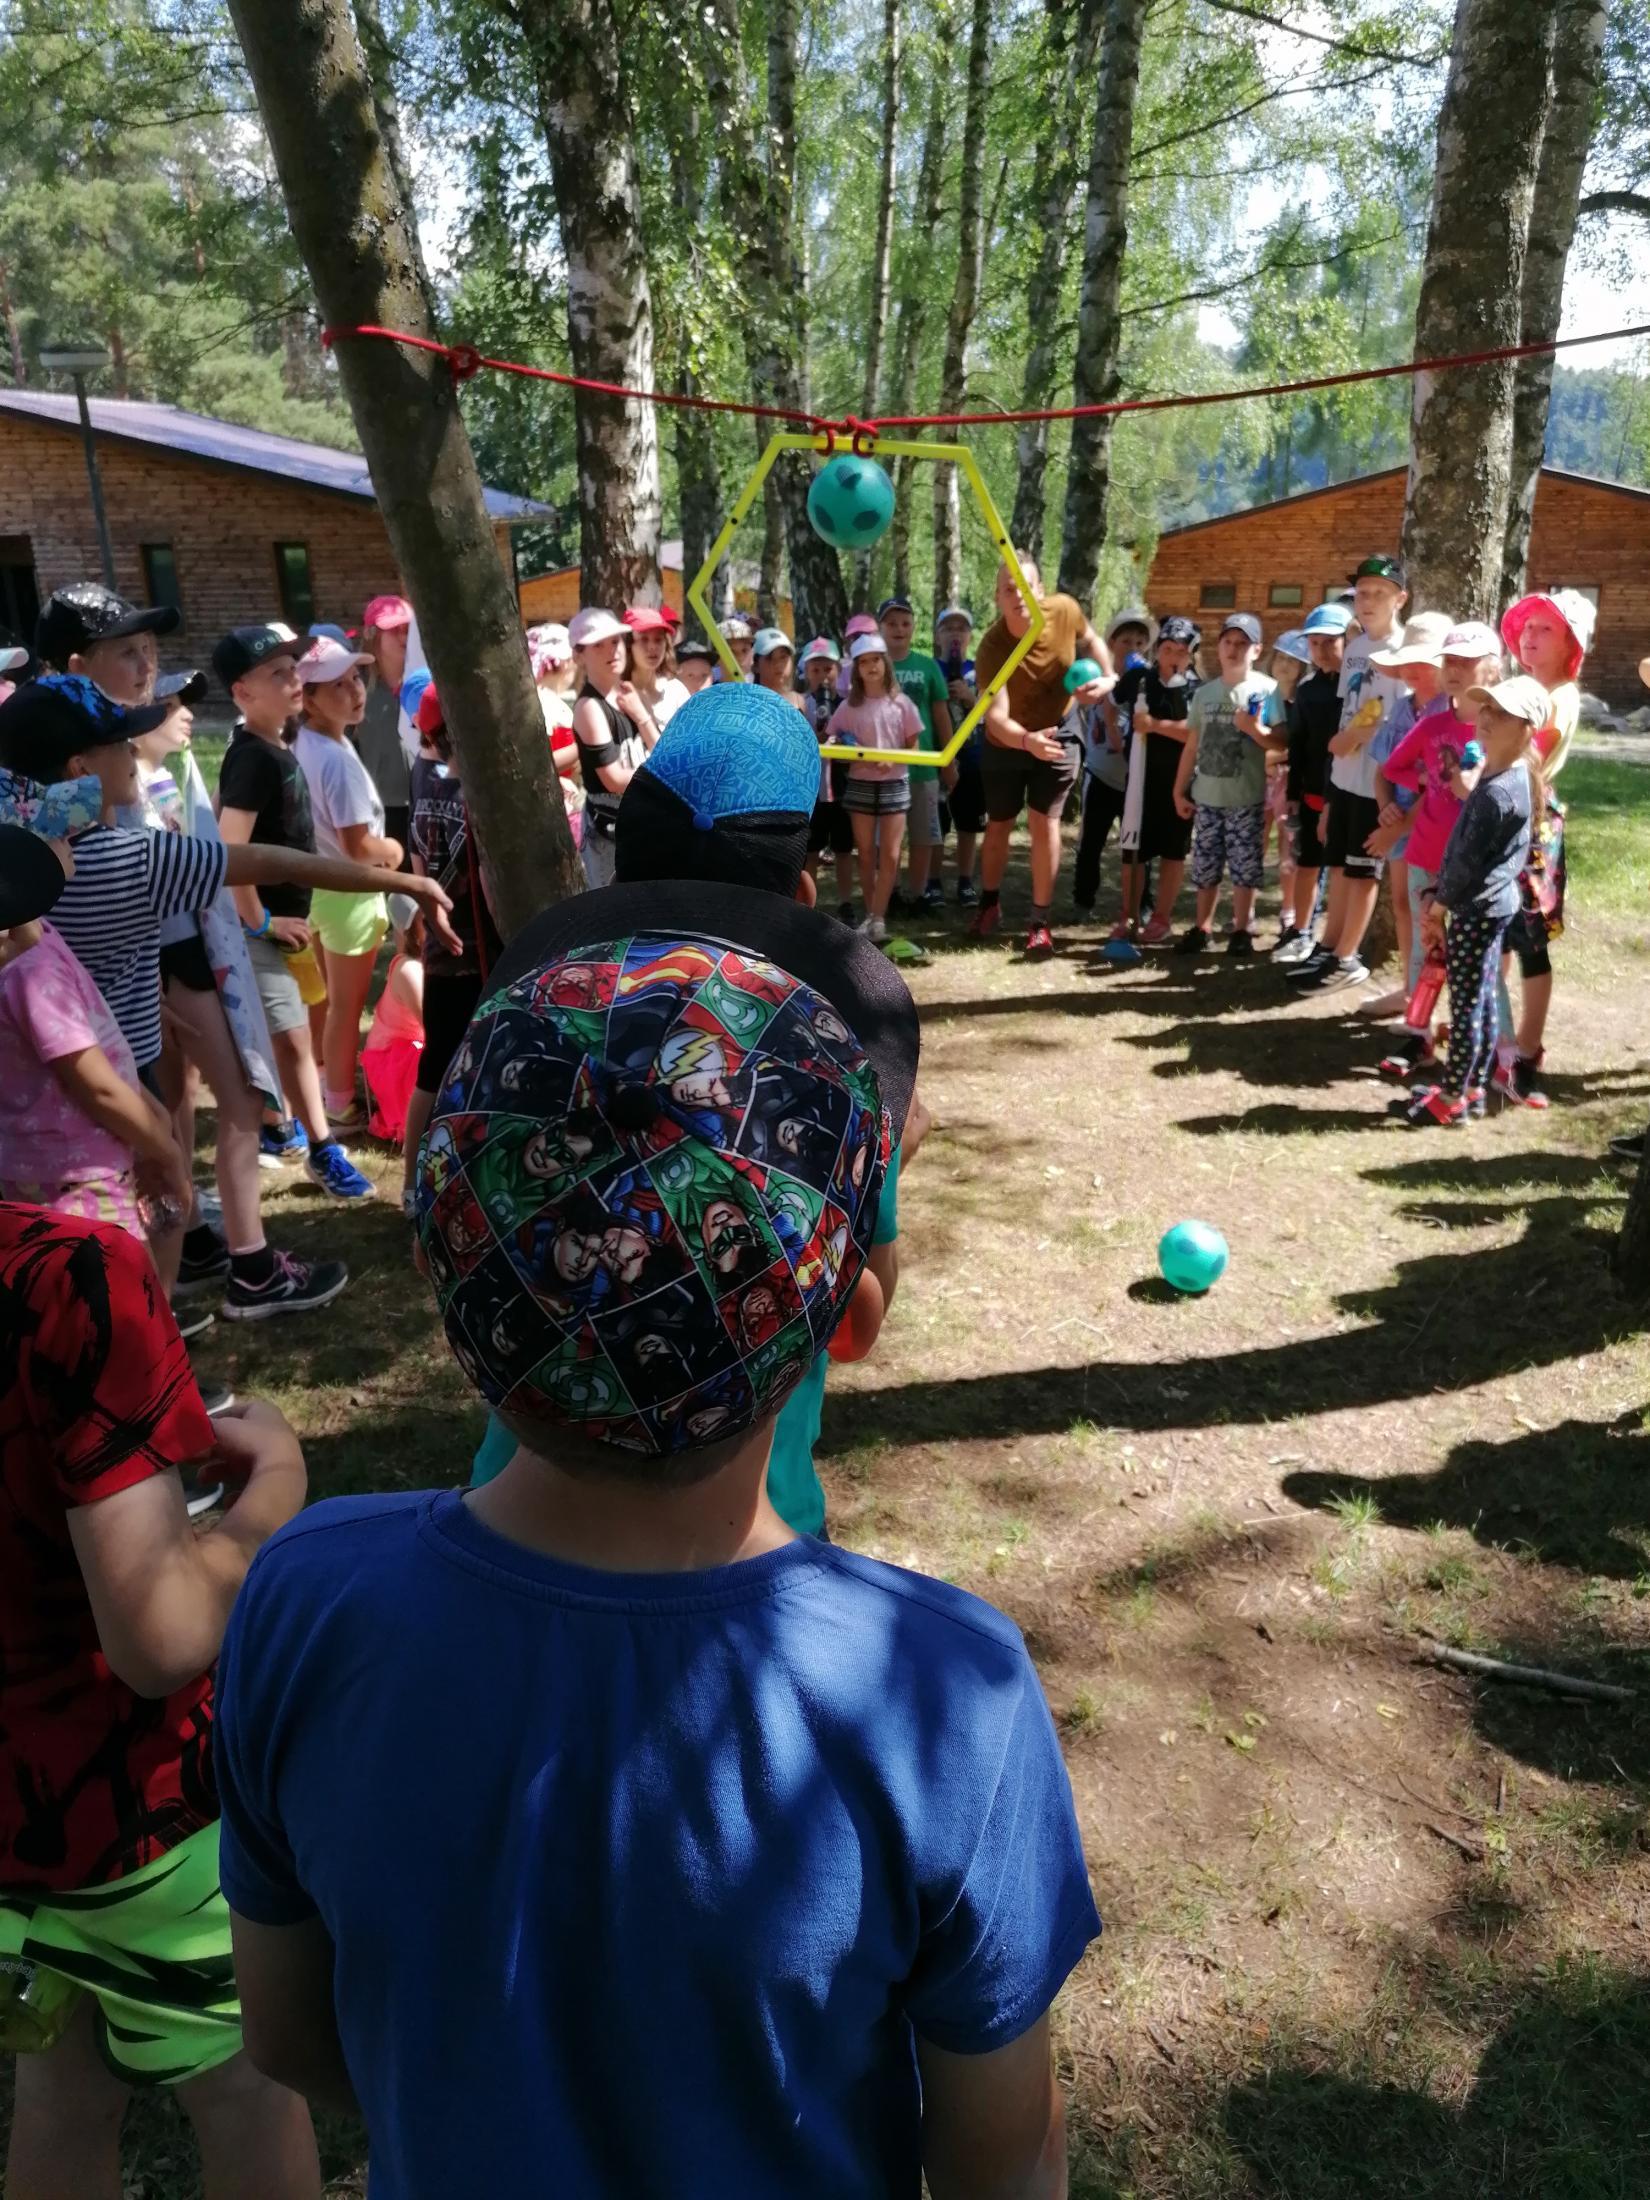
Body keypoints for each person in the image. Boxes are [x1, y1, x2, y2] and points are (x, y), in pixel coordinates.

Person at [212, 876, 1098, 2200]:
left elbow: (289, 2034)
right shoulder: (949, 1692)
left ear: (442, 1279)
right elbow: (1000, 2158)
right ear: (849, 1322)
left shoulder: (303, 1603)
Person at [0, 1195, 320, 2200]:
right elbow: (163, 1636)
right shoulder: (66, 1276)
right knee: (249, 2092)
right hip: (144, 1826)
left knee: (57, 2093)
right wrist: (275, 1490)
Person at [0, 679, 454, 1309]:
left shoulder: (20, 874)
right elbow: (269, 862)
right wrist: (401, 882)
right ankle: (160, 1344)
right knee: (148, 1231)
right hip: (110, 1093)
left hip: (39, 1108)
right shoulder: (130, 859)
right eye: (120, 745)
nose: (132, 755)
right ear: (80, 769)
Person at [214, 625, 376, 1202]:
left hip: (287, 926)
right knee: (292, 1040)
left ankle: (283, 1128)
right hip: (260, 930)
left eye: (293, 670)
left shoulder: (277, 746)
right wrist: (260, 921)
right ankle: (323, 1150)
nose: (293, 681)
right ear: (243, 692)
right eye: (277, 674)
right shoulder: (253, 758)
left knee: (291, 1035)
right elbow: (230, 850)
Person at [0, 825, 190, 1239]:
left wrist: (154, 1119)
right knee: (113, 1278)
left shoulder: (36, 943)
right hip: (76, 1176)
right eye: (51, 832)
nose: (69, 836)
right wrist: (168, 1153)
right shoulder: (33, 971)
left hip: (62, 1167)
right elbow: (97, 1088)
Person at [1403, 675, 1544, 1129]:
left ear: (1526, 729)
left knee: (1466, 1004)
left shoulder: (1497, 792)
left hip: (1474, 908)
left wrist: (1437, 906)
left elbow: (1465, 863)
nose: (1486, 717)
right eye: (1486, 707)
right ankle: (1473, 1087)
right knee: (1479, 998)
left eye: (1502, 713)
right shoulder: (1506, 776)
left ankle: (1452, 1096)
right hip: (1489, 906)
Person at [1373, 620, 1501, 1083]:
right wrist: (1426, 778)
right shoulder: (1431, 724)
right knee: (1423, 950)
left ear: (1492, 669)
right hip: (1427, 854)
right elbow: (1394, 767)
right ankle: (1418, 1034)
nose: (1455, 670)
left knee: (1475, 957)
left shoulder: (1499, 727)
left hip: (1477, 863)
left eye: (1467, 661)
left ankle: (1492, 1048)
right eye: (1449, 661)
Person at [970, 556, 1110, 956]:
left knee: (1043, 821)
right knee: (999, 823)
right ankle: (989, 904)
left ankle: (1039, 922)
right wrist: (1026, 741)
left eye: (1026, 586)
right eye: (1008, 589)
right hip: (1008, 741)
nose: (1018, 595)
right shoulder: (992, 647)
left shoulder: (1064, 610)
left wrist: (1108, 676)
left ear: (1040, 590)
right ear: (998, 598)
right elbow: (996, 718)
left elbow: (1092, 639)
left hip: (1060, 729)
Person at [1288, 554, 1410, 994]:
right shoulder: (1355, 649)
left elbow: (1401, 721)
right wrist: (1332, 784)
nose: (1369, 601)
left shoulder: (1403, 652)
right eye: (1362, 593)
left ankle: (1348, 957)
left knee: (1361, 872)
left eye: (1379, 593)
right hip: (1343, 777)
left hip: (1376, 783)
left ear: (1400, 599)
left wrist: (1358, 736)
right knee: (1338, 865)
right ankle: (1329, 945)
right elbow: (1348, 710)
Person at [403, 680, 504, 1212]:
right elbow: (486, 879)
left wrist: (429, 917)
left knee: (436, 1067)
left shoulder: (422, 776)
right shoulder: (472, 792)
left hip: (443, 950)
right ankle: (436, 1180)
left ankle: (413, 1183)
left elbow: (417, 859)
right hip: (474, 952)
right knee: (471, 1063)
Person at [293, 635, 401, 1128]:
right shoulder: (335, 759)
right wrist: (394, 850)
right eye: (336, 685)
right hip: (349, 892)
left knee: (322, 998)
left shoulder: (310, 743)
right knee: (345, 1006)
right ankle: (339, 1102)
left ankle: (323, 1079)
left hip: (319, 886)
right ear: (309, 700)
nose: (355, 690)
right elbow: (359, 846)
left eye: (355, 678)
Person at [1496, 588, 1595, 1107]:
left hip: (1531, 825)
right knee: (1496, 931)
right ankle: (1493, 1029)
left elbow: (1528, 752)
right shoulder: (1519, 687)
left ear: (1570, 645)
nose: (1531, 637)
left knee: (1530, 938)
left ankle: (1528, 1050)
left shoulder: (1561, 696)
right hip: (1501, 813)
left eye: (1546, 629)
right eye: (1527, 628)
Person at [1357, 611, 1455, 1019]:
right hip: (1398, 822)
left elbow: (1440, 787)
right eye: (1408, 662)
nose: (1414, 671)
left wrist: (1395, 826)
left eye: (1424, 663)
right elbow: (1383, 769)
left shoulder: (1448, 714)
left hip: (1430, 826)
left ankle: (1433, 996)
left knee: (1430, 910)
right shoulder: (1400, 710)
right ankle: (1410, 988)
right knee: (1402, 903)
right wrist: (1385, 809)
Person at [1169, 614, 1277, 956]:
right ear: (1218, 647)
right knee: (1205, 866)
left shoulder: (1267, 690)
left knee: (1245, 867)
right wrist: (1179, 789)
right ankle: (1202, 928)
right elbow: (1192, 745)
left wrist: (1254, 729)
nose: (1233, 650)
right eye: (1228, 642)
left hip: (1246, 797)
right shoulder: (1205, 694)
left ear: (1256, 650)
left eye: (1242, 643)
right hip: (1207, 797)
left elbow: (1280, 741)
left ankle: (1241, 928)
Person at [828, 632, 922, 945]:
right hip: (861, 786)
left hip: (895, 784)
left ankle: (878, 917)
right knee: (866, 853)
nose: (871, 666)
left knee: (891, 854)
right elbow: (832, 737)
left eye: (876, 660)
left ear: (886, 664)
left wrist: (891, 759)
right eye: (864, 662)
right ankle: (870, 916)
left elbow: (914, 747)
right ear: (855, 669)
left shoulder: (902, 704)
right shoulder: (848, 706)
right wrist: (842, 746)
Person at [1115, 613, 1199, 946]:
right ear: (1157, 649)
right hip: (1140, 778)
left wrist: (1155, 726)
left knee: (1172, 851)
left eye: (1181, 651)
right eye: (1167, 649)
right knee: (1133, 849)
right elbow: (1110, 698)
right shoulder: (1139, 679)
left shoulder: (1197, 688)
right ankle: (1129, 914)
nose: (1173, 656)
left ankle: (1162, 917)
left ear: (1191, 654)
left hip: (1179, 780)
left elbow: (1195, 733)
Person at [1276, 603, 1353, 963]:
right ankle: (1300, 931)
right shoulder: (1307, 690)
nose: (1321, 651)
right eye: (1314, 643)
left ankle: (1339, 939)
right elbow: (1298, 743)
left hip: (1349, 791)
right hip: (1312, 791)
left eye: (1329, 642)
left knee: (1342, 868)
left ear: (1347, 641)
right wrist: (1293, 792)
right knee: (1307, 863)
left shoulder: (1359, 685)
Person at [570, 606, 661, 888]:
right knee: (616, 908)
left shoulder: (630, 693)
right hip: (609, 833)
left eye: (615, 641)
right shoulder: (589, 707)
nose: (612, 650)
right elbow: (613, 778)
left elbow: (660, 750)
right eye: (598, 645)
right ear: (579, 656)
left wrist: (641, 716)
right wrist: (660, 779)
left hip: (640, 822)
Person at [878, 595, 954, 912]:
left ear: (913, 628)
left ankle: (919, 894)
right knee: (888, 838)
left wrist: (949, 758)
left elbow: (940, 714)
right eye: (891, 623)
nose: (899, 629)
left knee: (924, 835)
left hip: (923, 766)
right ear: (880, 628)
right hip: (884, 770)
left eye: (905, 623)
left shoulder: (927, 666)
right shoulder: (872, 665)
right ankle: (891, 892)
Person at [798, 637, 855, 922]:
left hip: (842, 789)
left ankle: (846, 904)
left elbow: (856, 743)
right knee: (810, 851)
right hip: (812, 792)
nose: (822, 676)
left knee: (844, 849)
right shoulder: (802, 705)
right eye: (816, 669)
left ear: (838, 671)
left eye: (828, 669)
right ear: (806, 672)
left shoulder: (847, 705)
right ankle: (807, 907)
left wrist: (843, 744)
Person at [355, 594, 415, 864]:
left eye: (408, 628)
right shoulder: (357, 688)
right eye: (395, 629)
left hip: (422, 800)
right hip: (378, 808)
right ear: (373, 635)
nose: (404, 636)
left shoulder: (423, 681)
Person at [361, 907, 425, 1145]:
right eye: (426, 921)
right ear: (408, 930)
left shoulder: (430, 963)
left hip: (409, 1051)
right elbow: (432, 1025)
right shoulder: (409, 969)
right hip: (392, 1062)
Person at [934, 605, 984, 904]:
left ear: (970, 636)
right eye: (948, 628)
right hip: (937, 756)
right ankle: (933, 881)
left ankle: (965, 881)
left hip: (973, 755)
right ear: (937, 636)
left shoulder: (980, 671)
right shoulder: (931, 669)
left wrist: (969, 698)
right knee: (937, 823)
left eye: (961, 628)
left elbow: (992, 714)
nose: (955, 634)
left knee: (969, 823)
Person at [1261, 631, 1309, 929]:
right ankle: (1245, 912)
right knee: (1254, 844)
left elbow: (1301, 747)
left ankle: (1289, 909)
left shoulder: (1304, 701)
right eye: (1280, 657)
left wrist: (1273, 757)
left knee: (1289, 849)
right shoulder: (1261, 696)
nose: (1285, 665)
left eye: (1293, 660)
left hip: (1290, 782)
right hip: (1259, 780)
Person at [623, 605, 690, 728]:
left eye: (658, 639)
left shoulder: (676, 691)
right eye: (644, 639)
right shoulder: (616, 694)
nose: (652, 647)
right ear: (628, 645)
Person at [752, 625, 809, 712]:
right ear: (755, 665)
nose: (778, 664)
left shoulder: (799, 701)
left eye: (783, 657)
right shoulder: (749, 702)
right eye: (769, 658)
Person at [716, 613, 755, 681]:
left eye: (744, 650)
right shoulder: (707, 687)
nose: (740, 658)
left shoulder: (763, 686)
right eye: (731, 652)